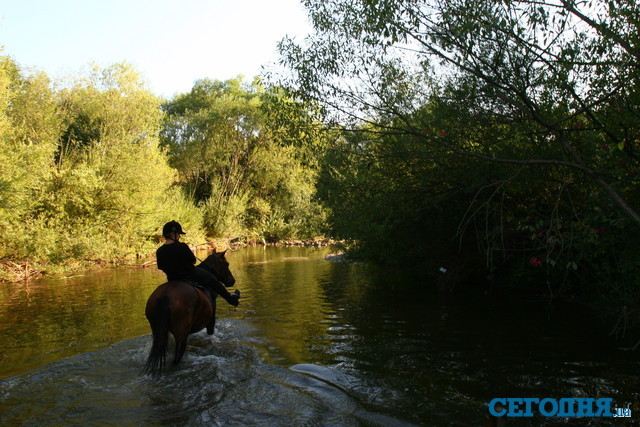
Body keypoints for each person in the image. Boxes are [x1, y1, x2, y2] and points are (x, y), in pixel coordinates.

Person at [156, 220, 240, 307]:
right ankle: (231, 299)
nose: (179, 236)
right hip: (190, 274)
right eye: (178, 234)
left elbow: (161, 267)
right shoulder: (182, 246)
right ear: (173, 234)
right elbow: (193, 261)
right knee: (213, 280)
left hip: (171, 278)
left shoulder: (159, 251)